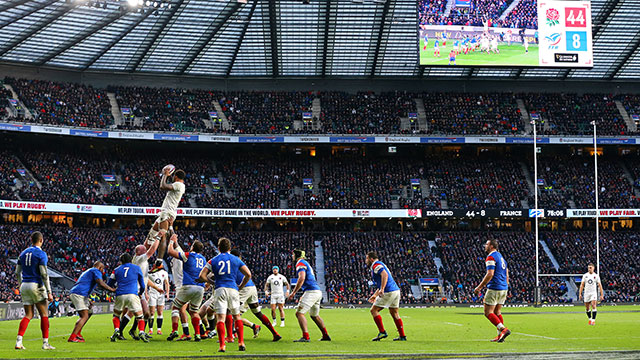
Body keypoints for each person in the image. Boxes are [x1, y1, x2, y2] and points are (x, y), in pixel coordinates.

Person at [198, 237, 251, 352]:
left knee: (220, 318)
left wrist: (212, 283)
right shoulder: (235, 259)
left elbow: (202, 275)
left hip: (219, 289)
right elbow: (248, 274)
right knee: (236, 316)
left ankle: (222, 345)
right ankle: (241, 342)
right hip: (233, 289)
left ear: (218, 248)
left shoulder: (213, 260)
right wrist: (240, 286)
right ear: (230, 248)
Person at [15, 231, 55, 350]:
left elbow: (17, 272)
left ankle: (19, 341)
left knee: (28, 314)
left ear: (31, 240)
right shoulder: (41, 254)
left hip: (24, 285)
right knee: (44, 314)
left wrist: (20, 285)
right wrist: (49, 291)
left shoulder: (22, 253)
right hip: (36, 285)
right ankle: (45, 343)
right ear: (41, 240)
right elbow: (44, 274)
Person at [230, 249, 282, 342]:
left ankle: (231, 336)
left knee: (230, 312)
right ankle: (275, 333)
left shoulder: (232, 263)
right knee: (258, 313)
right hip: (252, 288)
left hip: (244, 289)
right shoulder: (241, 263)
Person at [166, 234, 206, 342]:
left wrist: (171, 241)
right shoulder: (203, 259)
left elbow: (170, 251)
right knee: (194, 312)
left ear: (192, 247)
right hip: (200, 288)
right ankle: (197, 334)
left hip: (188, 285)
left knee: (176, 308)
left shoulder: (188, 255)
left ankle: (175, 330)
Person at [287, 249, 330, 343]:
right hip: (317, 291)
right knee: (314, 315)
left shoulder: (300, 263)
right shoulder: (305, 263)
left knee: (299, 313)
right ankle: (325, 335)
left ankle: (305, 336)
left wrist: (293, 292)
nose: (292, 256)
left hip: (311, 292)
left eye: (293, 255)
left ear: (297, 255)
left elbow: (301, 278)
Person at [68, 261, 116, 343]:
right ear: (100, 268)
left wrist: (88, 300)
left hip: (82, 294)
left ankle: (78, 333)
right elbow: (100, 283)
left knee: (89, 312)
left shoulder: (89, 271)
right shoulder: (95, 271)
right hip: (78, 294)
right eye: (102, 269)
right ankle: (72, 337)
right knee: (84, 316)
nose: (102, 271)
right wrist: (112, 290)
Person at [474, 239, 511, 343]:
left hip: (495, 287)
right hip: (504, 287)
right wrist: (505, 285)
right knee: (497, 312)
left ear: (491, 246)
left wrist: (479, 287)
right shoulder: (501, 257)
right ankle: (500, 336)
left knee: (488, 312)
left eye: (486, 244)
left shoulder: (491, 257)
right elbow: (507, 272)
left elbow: (490, 274)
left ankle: (503, 329)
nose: (485, 246)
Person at [149, 168, 186, 271]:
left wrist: (165, 175)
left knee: (163, 236)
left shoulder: (179, 184)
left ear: (176, 177)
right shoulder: (181, 186)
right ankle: (146, 253)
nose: (172, 177)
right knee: (153, 233)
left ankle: (159, 262)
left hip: (167, 212)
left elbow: (162, 186)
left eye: (173, 176)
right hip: (168, 212)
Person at [121, 241, 159, 340]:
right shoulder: (139, 259)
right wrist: (158, 237)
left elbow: (145, 279)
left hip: (141, 290)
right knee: (140, 313)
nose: (146, 249)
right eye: (144, 249)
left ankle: (133, 330)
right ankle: (122, 331)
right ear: (138, 252)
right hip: (136, 290)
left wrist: (147, 292)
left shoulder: (142, 259)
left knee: (138, 313)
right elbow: (151, 251)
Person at [366, 252, 406, 341]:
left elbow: (385, 275)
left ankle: (382, 332)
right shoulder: (382, 264)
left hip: (388, 291)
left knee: (374, 310)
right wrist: (375, 294)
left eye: (366, 259)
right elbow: (384, 279)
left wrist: (382, 289)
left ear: (371, 259)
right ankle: (402, 336)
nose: (366, 261)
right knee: (394, 312)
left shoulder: (375, 265)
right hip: (396, 291)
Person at [108, 253, 148, 343]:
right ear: (131, 260)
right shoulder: (137, 268)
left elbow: (109, 283)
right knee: (139, 316)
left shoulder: (116, 270)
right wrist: (140, 293)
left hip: (120, 294)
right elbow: (142, 285)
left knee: (116, 315)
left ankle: (117, 330)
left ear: (121, 261)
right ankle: (141, 332)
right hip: (132, 294)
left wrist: (113, 290)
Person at [148, 264, 170, 335]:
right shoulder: (150, 273)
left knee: (160, 312)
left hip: (161, 294)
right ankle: (150, 329)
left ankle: (159, 329)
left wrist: (167, 293)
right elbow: (146, 282)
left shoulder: (164, 273)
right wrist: (146, 293)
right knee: (151, 313)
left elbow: (166, 283)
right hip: (152, 294)